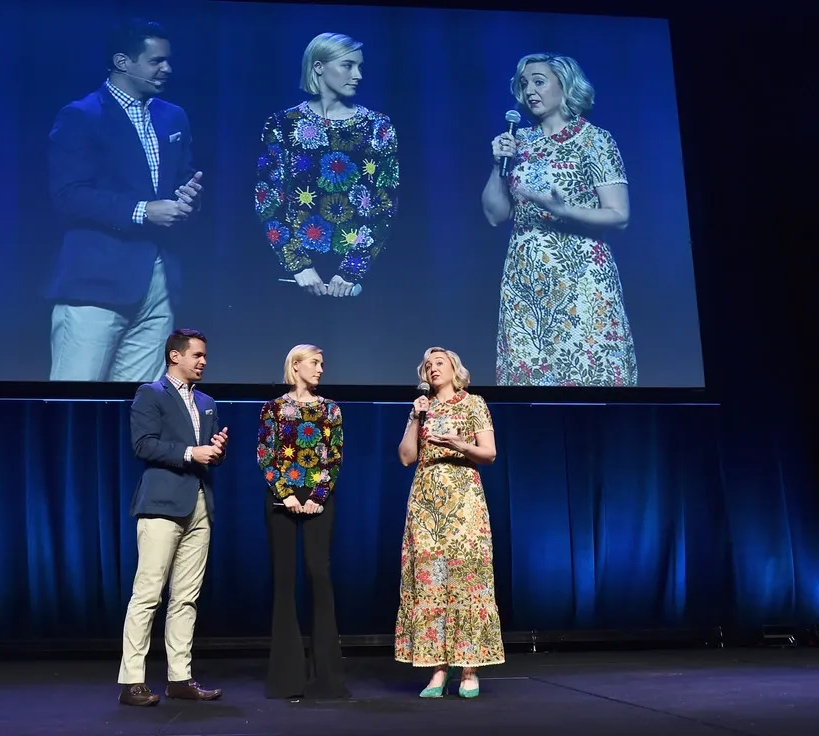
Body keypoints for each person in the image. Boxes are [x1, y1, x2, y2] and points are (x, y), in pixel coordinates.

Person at [46, 18, 204, 383]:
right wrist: (143, 211)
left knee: (139, 406)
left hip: (157, 283)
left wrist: (188, 198)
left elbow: (183, 179)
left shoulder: (171, 116)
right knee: (75, 400)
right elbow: (68, 195)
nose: (167, 69)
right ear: (122, 62)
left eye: (168, 60)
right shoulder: (82, 116)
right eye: (156, 61)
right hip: (95, 284)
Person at [481, 53, 637, 387]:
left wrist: (561, 208)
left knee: (588, 374)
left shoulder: (594, 140)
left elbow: (619, 215)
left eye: (539, 81)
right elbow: (496, 215)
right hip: (526, 279)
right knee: (529, 381)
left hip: (581, 279)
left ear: (565, 85)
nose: (530, 91)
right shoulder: (519, 142)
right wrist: (498, 164)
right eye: (524, 84)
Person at [117, 328, 229, 706]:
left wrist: (215, 450)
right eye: (196, 355)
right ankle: (132, 680)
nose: (203, 362)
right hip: (162, 504)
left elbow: (205, 452)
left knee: (186, 598)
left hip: (199, 503)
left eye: (204, 355)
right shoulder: (151, 394)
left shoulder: (207, 401)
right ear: (174, 356)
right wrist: (190, 453)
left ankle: (179, 677)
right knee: (148, 594)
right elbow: (143, 444)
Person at [395, 347, 504, 698]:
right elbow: (406, 457)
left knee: (466, 580)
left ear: (455, 369)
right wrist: (414, 417)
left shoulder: (473, 404)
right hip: (426, 503)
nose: (432, 368)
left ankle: (469, 669)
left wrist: (460, 444)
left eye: (439, 363)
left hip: (463, 499)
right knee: (430, 582)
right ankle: (437, 670)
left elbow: (489, 453)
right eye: (428, 365)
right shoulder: (423, 409)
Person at [254, 32, 398, 298]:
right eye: (348, 65)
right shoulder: (282, 125)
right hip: (296, 276)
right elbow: (268, 200)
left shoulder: (377, 126)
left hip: (358, 278)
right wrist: (298, 266)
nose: (358, 75)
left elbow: (384, 203)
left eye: (360, 66)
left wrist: (352, 270)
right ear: (318, 67)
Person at [256, 344, 350, 699]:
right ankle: (286, 677)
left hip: (317, 498)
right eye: (315, 363)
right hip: (283, 498)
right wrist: (287, 493)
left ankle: (327, 676)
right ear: (295, 366)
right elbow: (266, 455)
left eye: (323, 363)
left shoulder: (330, 410)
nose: (321, 369)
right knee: (284, 581)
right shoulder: (274, 408)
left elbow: (335, 458)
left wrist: (316, 497)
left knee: (319, 576)